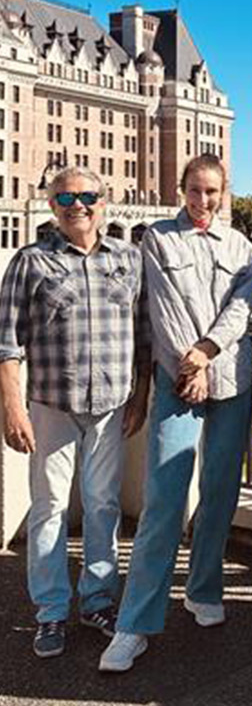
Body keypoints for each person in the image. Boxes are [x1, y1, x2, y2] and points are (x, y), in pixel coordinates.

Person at [100, 154, 252, 673]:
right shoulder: (158, 240)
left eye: (212, 192)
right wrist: (187, 365)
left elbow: (242, 306)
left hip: (229, 378)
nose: (202, 202)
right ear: (181, 188)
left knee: (219, 492)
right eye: (195, 191)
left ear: (224, 191)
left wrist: (208, 352)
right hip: (178, 381)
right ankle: (134, 624)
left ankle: (203, 588)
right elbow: (162, 311)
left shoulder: (241, 246)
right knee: (164, 501)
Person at [0, 167, 149, 659]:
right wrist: (12, 407)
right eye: (66, 196)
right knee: (50, 509)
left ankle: (98, 601)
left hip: (111, 403)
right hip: (51, 403)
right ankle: (50, 612)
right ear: (51, 204)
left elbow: (143, 335)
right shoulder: (30, 260)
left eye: (87, 195)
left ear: (104, 202)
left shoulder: (129, 258)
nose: (77, 204)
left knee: (103, 505)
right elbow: (6, 342)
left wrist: (140, 394)